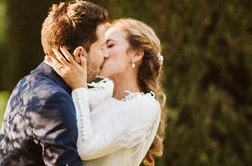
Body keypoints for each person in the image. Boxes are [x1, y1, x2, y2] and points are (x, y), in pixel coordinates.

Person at [0, 0, 109, 166]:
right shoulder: (53, 100)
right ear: (79, 55)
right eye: (102, 47)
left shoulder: (29, 83)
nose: (106, 55)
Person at [48, 18, 166, 166]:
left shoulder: (144, 107)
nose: (103, 53)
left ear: (136, 54)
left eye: (110, 45)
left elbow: (86, 149)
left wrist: (79, 87)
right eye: (101, 46)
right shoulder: (101, 96)